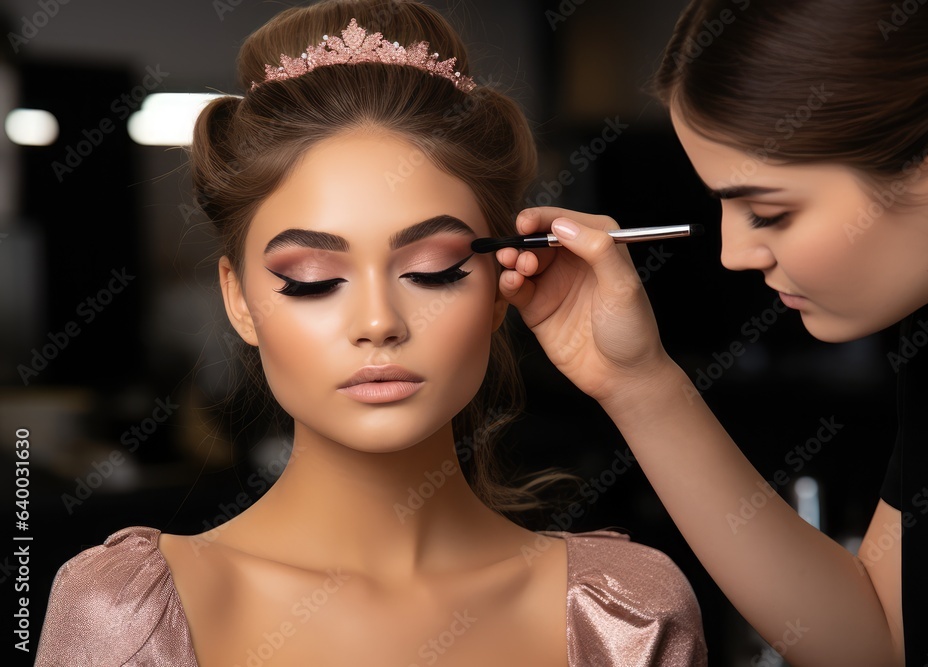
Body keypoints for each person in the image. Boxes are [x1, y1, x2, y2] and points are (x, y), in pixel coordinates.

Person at [34, 2, 708, 666]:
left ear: (504, 284)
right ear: (238, 298)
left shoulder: (626, 612)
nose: (379, 322)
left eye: (434, 270)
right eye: (312, 279)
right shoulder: (122, 611)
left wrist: (643, 379)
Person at [489, 0, 928, 665]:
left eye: (768, 210)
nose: (733, 252)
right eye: (722, 203)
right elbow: (878, 642)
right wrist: (637, 383)